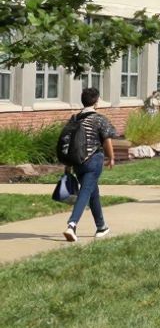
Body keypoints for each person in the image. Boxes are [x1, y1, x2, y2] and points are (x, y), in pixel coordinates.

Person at [61, 87, 117, 242]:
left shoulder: (74, 118)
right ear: (96, 101)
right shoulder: (99, 119)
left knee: (93, 192)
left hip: (78, 162)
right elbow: (107, 139)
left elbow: (68, 142)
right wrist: (111, 158)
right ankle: (72, 225)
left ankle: (101, 227)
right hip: (94, 160)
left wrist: (68, 164)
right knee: (86, 191)